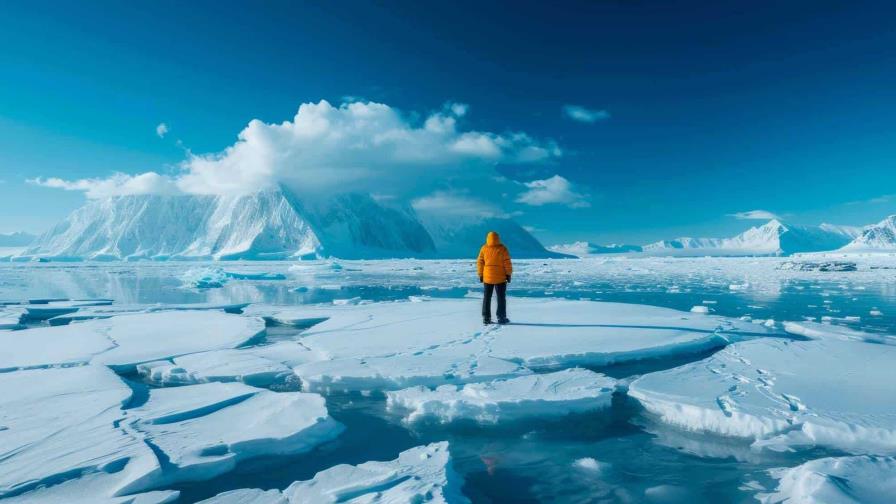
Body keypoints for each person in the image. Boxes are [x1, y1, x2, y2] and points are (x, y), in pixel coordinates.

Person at [477, 231, 512, 325]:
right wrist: (508, 274)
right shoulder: (502, 248)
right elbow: (507, 262)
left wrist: (481, 274)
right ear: (498, 238)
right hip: (500, 277)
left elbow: (480, 262)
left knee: (487, 297)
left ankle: (486, 318)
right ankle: (501, 317)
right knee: (501, 298)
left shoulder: (484, 248)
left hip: (487, 277)